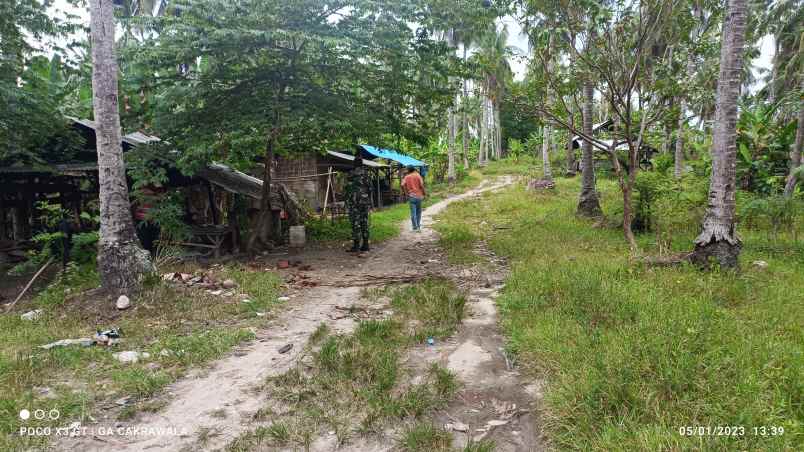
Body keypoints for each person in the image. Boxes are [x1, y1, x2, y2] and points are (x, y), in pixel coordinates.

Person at [344, 156, 372, 252]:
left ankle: (356, 246)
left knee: (355, 222)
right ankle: (365, 245)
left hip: (354, 202)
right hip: (365, 202)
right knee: (364, 222)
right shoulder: (367, 174)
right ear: (362, 163)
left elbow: (347, 190)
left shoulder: (350, 175)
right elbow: (370, 189)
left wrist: (346, 202)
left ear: (354, 164)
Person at [401, 166, 425, 232]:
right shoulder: (418, 175)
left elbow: (402, 185)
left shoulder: (406, 177)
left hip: (411, 196)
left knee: (413, 212)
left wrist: (406, 193)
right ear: (414, 170)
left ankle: (414, 227)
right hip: (419, 196)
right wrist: (424, 193)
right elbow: (422, 185)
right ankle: (418, 227)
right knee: (418, 212)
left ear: (409, 170)